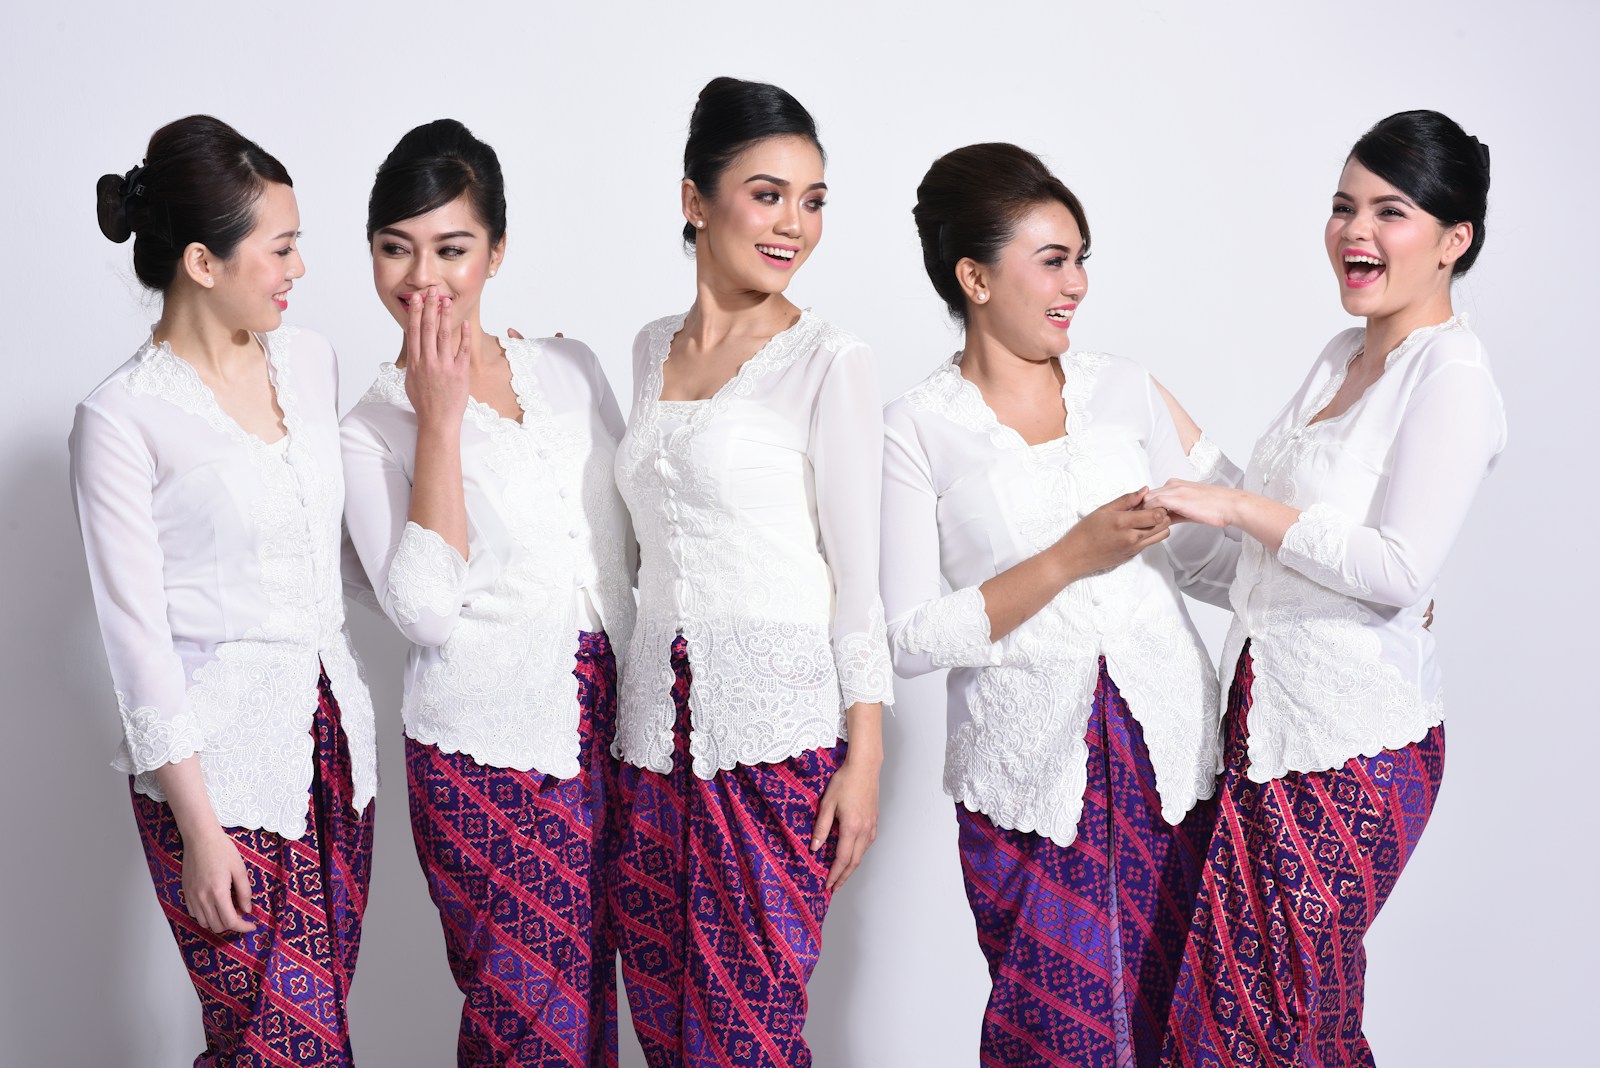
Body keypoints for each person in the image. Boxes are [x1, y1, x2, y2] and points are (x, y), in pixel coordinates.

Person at [1148, 110, 1506, 1068]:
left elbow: (1397, 569)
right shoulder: (1337, 360)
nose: (1356, 231)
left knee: (1259, 1026)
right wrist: (1167, 450)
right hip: (1264, 730)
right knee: (1285, 1025)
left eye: (1391, 212)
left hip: (1356, 748)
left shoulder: (1451, 372)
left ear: (1452, 239)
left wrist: (1231, 504)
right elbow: (1256, 571)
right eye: (1344, 207)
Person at [882, 142, 1239, 1067]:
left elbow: (1218, 552)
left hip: (1171, 759)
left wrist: (1351, 591)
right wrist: (1070, 557)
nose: (1077, 282)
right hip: (1027, 778)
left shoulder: (1126, 388)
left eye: (1082, 258)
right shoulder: (914, 427)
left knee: (1186, 1024)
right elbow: (912, 637)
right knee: (1054, 1039)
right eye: (1053, 260)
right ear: (974, 276)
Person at [71, 115, 377, 1066]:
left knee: (278, 1043)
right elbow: (136, 645)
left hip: (337, 754)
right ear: (203, 262)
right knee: (288, 1052)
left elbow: (335, 550)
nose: (297, 269)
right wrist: (200, 835)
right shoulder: (119, 420)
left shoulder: (312, 359)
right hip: (220, 779)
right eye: (280, 248)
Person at [608, 77, 893, 1068]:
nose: (794, 225)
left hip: (776, 740)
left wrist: (864, 757)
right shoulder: (649, 350)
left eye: (813, 201)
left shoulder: (830, 357)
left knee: (747, 1036)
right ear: (695, 200)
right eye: (768, 193)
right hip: (650, 740)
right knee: (663, 1023)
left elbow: (860, 577)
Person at [340, 119, 635, 1068]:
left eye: (452, 248)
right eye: (396, 247)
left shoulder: (571, 366)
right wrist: (439, 418)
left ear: (497, 251)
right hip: (486, 750)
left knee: (594, 1016)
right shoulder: (369, 429)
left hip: (616, 732)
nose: (424, 276)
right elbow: (423, 610)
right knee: (527, 1034)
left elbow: (628, 544)